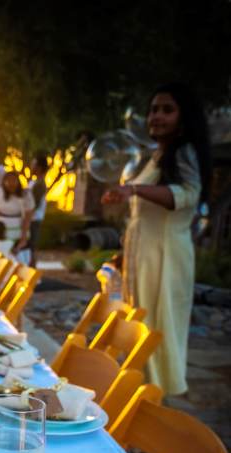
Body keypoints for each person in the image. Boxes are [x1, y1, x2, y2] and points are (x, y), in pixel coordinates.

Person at [102, 83, 211, 396]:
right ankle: (138, 404)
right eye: (153, 109)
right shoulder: (156, 157)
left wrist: (133, 189)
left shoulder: (185, 152)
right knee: (138, 328)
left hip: (165, 257)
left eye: (167, 109)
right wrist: (123, 255)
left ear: (184, 116)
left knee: (155, 330)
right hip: (142, 256)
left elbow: (189, 195)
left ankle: (151, 404)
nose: (156, 116)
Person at [0, 171, 35, 263]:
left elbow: (28, 217)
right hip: (0, 230)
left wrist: (23, 237)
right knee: (1, 257)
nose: (11, 183)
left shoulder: (25, 195)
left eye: (13, 181)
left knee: (18, 258)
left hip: (17, 230)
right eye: (8, 181)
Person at [27, 152, 49, 267]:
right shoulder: (35, 182)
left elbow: (33, 204)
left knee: (31, 247)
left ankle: (32, 272)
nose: (31, 167)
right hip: (32, 218)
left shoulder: (40, 184)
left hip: (33, 219)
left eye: (33, 165)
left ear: (39, 168)